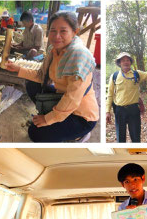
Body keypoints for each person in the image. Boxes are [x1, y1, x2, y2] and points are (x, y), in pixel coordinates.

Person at [6, 11, 98, 142]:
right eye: (53, 31)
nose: (57, 36)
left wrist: (48, 119)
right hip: (62, 99)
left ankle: (79, 134)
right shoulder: (53, 50)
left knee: (35, 133)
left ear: (75, 32)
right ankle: (55, 118)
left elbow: (72, 98)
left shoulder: (79, 55)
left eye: (63, 31)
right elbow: (41, 76)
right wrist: (18, 69)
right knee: (32, 84)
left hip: (80, 115)